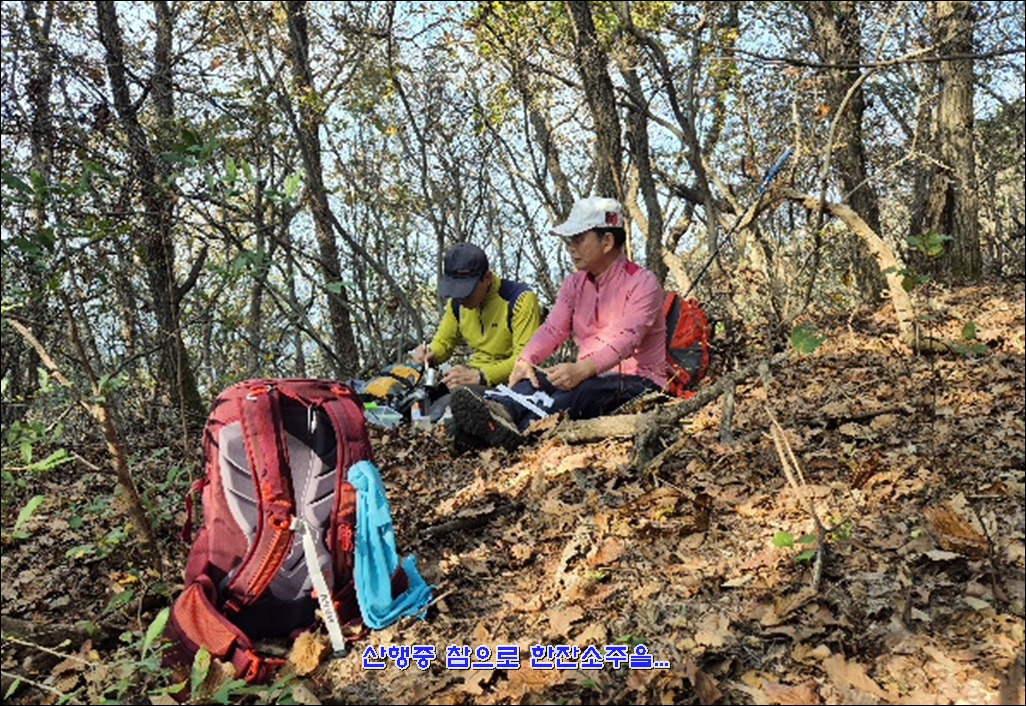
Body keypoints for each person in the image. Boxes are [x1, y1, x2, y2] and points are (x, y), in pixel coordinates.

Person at [450, 196, 667, 450]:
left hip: (639, 380)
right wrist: (526, 359)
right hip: (587, 375)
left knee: (581, 393)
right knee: (532, 381)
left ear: (607, 241)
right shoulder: (574, 284)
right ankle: (497, 414)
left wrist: (583, 370)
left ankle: (513, 431)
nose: (571, 248)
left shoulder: (643, 283)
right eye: (570, 241)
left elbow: (627, 340)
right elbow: (553, 329)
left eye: (579, 239)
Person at [411, 242, 543, 421]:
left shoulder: (520, 300)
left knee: (449, 407)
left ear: (487, 278)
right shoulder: (457, 304)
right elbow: (444, 342)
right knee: (416, 402)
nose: (461, 298)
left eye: (467, 291)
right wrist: (429, 354)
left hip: (511, 384)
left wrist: (481, 376)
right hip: (473, 378)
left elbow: (525, 360)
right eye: (455, 291)